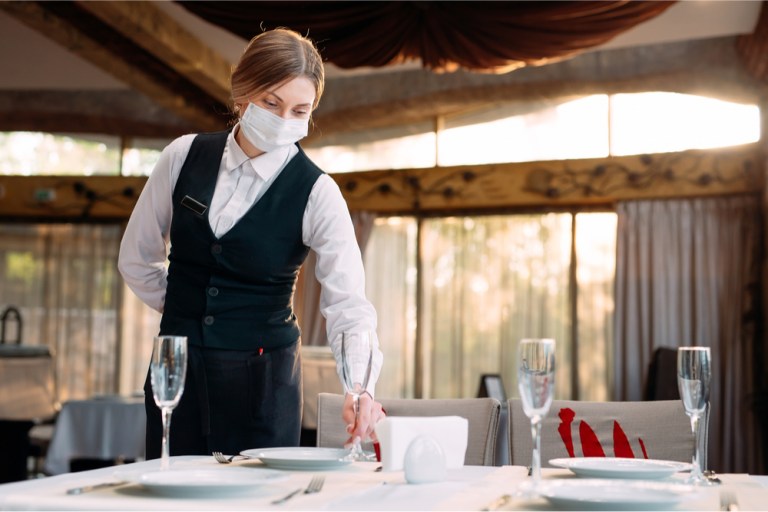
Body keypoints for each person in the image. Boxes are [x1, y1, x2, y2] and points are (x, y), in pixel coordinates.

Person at [118, 28, 385, 458]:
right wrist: (188, 309)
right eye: (270, 103)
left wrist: (359, 387)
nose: (283, 121)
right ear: (242, 93)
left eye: (299, 110)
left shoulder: (317, 192)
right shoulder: (182, 156)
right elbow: (136, 259)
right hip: (176, 374)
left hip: (264, 385)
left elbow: (348, 304)